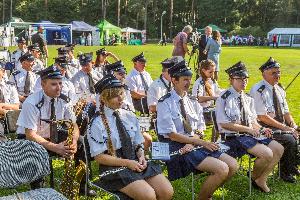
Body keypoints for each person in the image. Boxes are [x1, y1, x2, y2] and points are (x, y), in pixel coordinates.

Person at [157, 60, 238, 200]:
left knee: (233, 165)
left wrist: (195, 140)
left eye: (189, 79)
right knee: (222, 169)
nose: (188, 83)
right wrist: (194, 141)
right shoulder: (165, 102)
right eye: (184, 79)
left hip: (195, 142)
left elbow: (201, 126)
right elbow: (171, 134)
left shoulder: (193, 101)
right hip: (176, 145)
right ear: (174, 80)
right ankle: (204, 197)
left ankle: (208, 191)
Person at [88, 74, 174, 200]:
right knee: (149, 196)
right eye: (115, 96)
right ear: (104, 99)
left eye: (121, 94)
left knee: (167, 192)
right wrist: (127, 163)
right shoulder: (96, 123)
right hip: (114, 167)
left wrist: (141, 156)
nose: (121, 98)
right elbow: (99, 157)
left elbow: (138, 143)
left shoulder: (129, 116)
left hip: (135, 161)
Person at [215, 61, 284, 193]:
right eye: (239, 79)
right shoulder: (223, 98)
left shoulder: (248, 99)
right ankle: (254, 177)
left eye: (245, 79)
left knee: (278, 148)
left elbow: (252, 121)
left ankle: (259, 179)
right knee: (267, 153)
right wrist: (250, 130)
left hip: (248, 135)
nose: (244, 82)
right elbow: (224, 124)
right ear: (231, 80)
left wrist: (262, 129)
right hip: (232, 137)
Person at [16, 65, 78, 189]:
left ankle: (79, 185)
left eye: (60, 83)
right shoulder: (31, 103)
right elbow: (30, 135)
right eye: (54, 84)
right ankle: (39, 189)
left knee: (81, 142)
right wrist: (55, 147)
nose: (59, 87)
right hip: (30, 139)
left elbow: (73, 125)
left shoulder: (64, 100)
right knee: (36, 150)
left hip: (52, 134)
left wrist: (74, 141)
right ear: (43, 85)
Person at [250, 57, 299, 182]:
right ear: (264, 74)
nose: (277, 75)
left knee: (297, 133)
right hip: (265, 128)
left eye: (279, 72)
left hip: (280, 126)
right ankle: (285, 172)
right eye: (274, 73)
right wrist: (286, 129)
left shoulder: (280, 89)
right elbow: (262, 117)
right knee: (290, 139)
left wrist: (292, 125)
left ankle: (292, 165)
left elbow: (286, 112)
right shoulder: (258, 90)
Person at [192, 59, 222, 126]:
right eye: (210, 72)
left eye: (214, 72)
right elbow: (198, 98)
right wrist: (214, 97)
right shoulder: (199, 83)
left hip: (210, 109)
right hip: (202, 112)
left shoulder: (212, 81)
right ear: (203, 70)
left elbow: (218, 91)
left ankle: (216, 135)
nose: (213, 74)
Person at [0, 63, 20, 134]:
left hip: (9, 119)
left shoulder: (10, 86)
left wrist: (2, 105)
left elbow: (16, 106)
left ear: (3, 72)